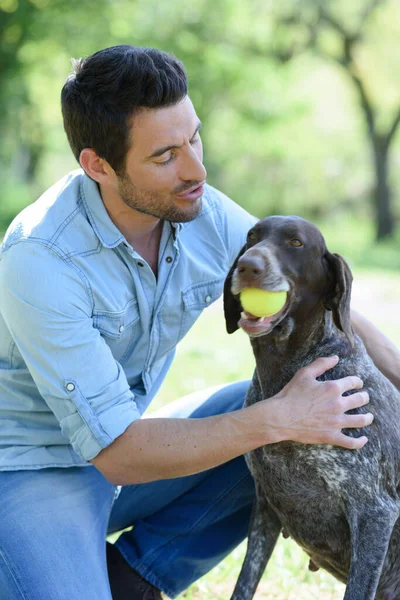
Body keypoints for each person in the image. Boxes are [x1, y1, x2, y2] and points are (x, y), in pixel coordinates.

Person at [0, 45, 398, 600]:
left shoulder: (196, 207)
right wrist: (277, 419)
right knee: (272, 417)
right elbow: (120, 452)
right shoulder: (40, 259)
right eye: (165, 156)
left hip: (123, 446)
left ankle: (137, 575)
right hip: (28, 471)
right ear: (97, 166)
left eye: (194, 138)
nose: (196, 170)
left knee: (276, 405)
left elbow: (332, 309)